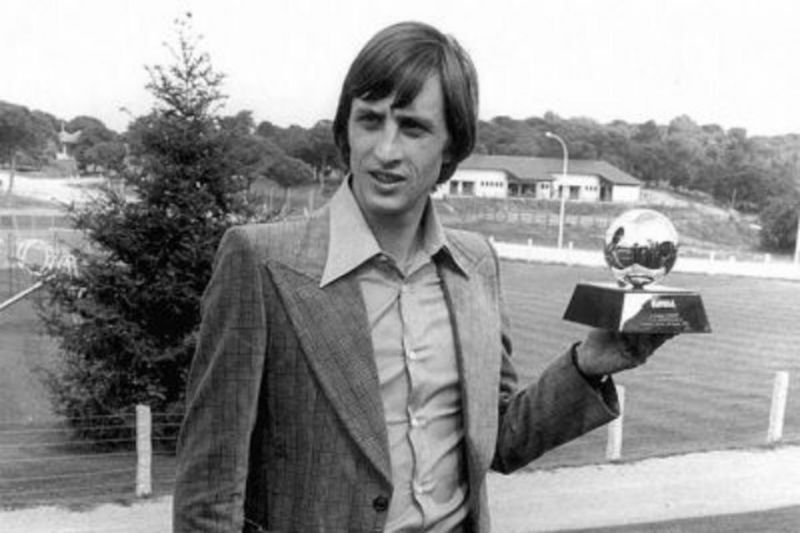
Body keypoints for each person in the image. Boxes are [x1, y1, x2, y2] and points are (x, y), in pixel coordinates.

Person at [173, 21, 670, 533]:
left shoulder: (476, 264)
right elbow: (207, 496)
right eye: (369, 120)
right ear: (345, 129)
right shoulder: (259, 262)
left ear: (452, 148)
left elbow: (495, 439)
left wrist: (588, 367)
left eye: (413, 128)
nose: (385, 150)